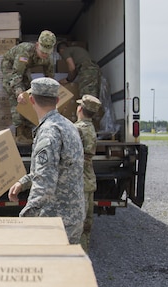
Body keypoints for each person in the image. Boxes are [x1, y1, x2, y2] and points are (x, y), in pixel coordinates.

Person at [8, 77, 85, 244]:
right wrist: (24, 182)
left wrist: (26, 217)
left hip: (56, 221)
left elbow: (45, 182)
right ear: (57, 100)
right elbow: (60, 166)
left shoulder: (48, 132)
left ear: (31, 100)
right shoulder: (69, 125)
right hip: (73, 216)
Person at [1, 30, 56, 144]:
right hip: (11, 67)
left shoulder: (48, 58)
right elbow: (17, 74)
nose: (45, 55)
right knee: (18, 96)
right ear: (37, 45)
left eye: (47, 53)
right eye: (42, 52)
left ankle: (28, 131)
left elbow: (50, 78)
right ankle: (19, 132)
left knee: (31, 94)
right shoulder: (24, 52)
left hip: (24, 69)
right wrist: (19, 92)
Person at [74, 95, 102, 253]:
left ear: (80, 109)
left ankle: (79, 256)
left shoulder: (77, 128)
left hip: (79, 182)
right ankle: (85, 252)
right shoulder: (90, 128)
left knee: (78, 224)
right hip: (89, 180)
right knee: (87, 224)